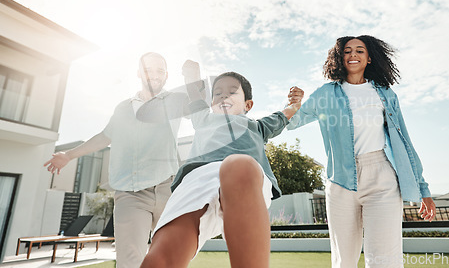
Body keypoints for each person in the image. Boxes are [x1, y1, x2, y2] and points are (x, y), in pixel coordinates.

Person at [287, 36, 436, 268]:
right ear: (340, 57)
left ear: (368, 58)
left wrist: (423, 187)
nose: (353, 55)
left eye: (359, 50)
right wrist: (293, 105)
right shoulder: (326, 94)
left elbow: (404, 140)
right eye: (347, 51)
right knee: (344, 261)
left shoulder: (385, 94)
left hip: (381, 177)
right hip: (340, 181)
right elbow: (291, 122)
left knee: (385, 260)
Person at [140, 60, 304, 268]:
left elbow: (284, 116)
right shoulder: (203, 118)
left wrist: (295, 103)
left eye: (232, 92)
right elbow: (194, 94)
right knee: (158, 261)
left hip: (244, 179)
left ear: (248, 105)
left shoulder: (258, 127)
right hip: (198, 179)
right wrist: (192, 75)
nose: (224, 96)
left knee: (237, 165)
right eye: (218, 93)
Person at [44, 52, 189, 268]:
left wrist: (193, 79)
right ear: (139, 73)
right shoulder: (124, 107)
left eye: (160, 70)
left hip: (167, 188)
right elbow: (105, 137)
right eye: (149, 69)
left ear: (167, 75)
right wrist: (68, 155)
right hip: (131, 193)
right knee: (129, 262)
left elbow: (202, 111)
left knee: (173, 259)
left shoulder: (175, 101)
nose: (154, 75)